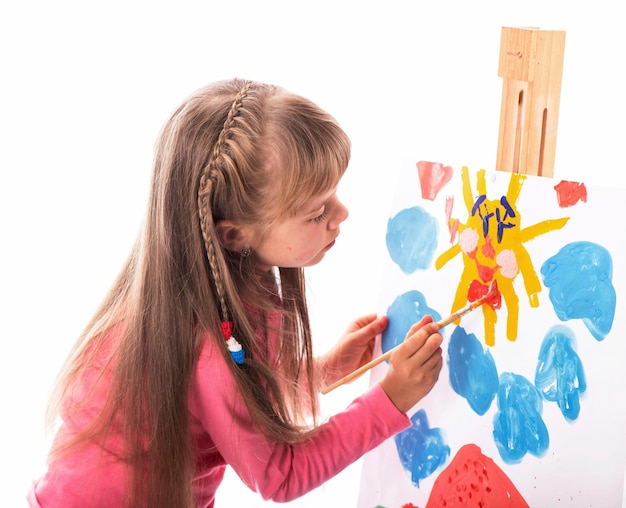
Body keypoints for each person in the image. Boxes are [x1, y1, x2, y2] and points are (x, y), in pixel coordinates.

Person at [28, 78, 443, 507]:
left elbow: (239, 394)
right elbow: (281, 475)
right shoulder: (209, 341)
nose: (342, 214)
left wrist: (323, 372)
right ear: (234, 234)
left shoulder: (229, 288)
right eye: (317, 212)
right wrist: (391, 399)